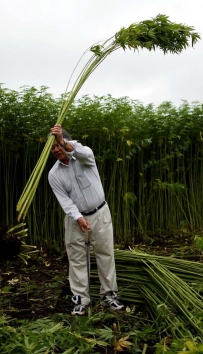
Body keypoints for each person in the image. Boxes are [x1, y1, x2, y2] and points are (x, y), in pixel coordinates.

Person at [47, 124, 124, 315]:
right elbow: (64, 200)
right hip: (75, 219)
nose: (56, 150)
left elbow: (84, 153)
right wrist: (78, 217)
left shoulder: (84, 157)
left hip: (100, 213)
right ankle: (81, 300)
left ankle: (109, 296)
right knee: (77, 259)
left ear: (66, 142)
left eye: (58, 145)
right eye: (52, 147)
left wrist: (64, 142)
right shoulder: (53, 174)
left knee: (105, 254)